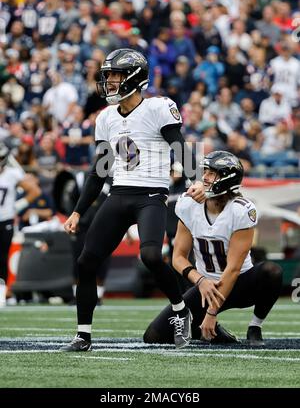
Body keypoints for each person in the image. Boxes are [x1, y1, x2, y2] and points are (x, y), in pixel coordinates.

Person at [62, 48, 207, 352]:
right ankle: (83, 335)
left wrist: (196, 181)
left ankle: (181, 310)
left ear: (134, 77)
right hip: (120, 192)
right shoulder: (106, 118)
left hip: (152, 194)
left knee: (152, 257)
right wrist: (77, 211)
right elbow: (99, 170)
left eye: (115, 75)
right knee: (86, 261)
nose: (110, 81)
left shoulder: (157, 108)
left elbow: (180, 147)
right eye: (108, 75)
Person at [143, 150, 283, 347]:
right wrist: (200, 281)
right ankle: (215, 332)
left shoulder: (241, 210)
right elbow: (178, 257)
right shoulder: (188, 205)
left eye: (211, 173)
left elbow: (233, 269)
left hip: (239, 284)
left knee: (272, 272)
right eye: (205, 172)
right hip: (205, 287)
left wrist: (211, 312)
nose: (205, 178)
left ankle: (255, 326)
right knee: (154, 337)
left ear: (227, 178)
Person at [0, 143, 40, 305]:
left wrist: (19, 205)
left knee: (3, 258)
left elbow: (35, 191)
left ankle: (5, 292)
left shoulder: (12, 174)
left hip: (6, 220)